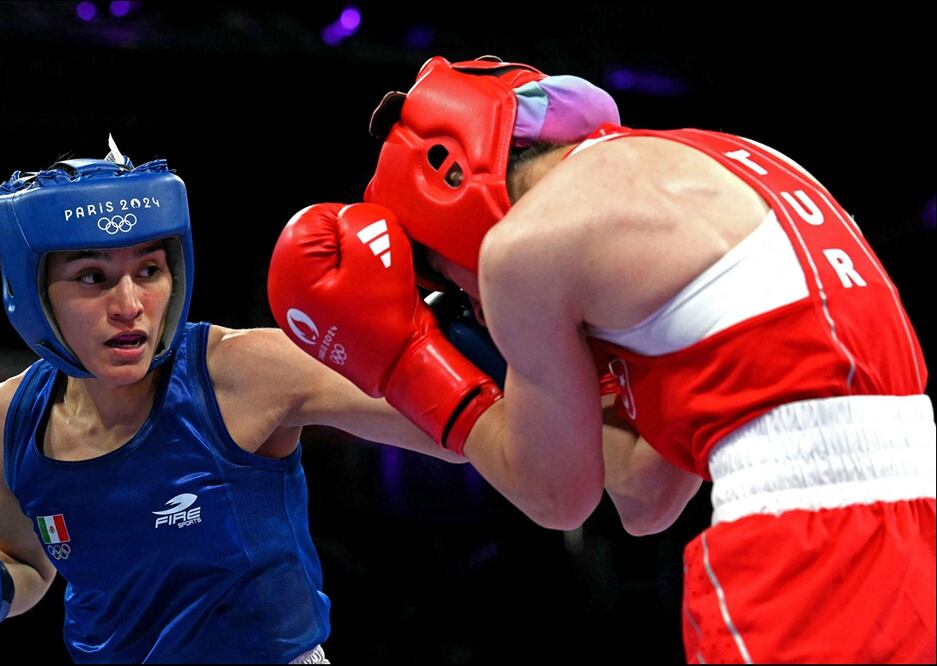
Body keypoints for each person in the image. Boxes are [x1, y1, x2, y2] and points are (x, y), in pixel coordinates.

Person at [266, 57, 936, 663]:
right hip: (911, 517)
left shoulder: (526, 247)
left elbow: (557, 495)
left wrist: (407, 359)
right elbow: (645, 494)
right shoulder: (722, 156)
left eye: (444, 282)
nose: (468, 305)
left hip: (804, 546)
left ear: (447, 185)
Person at [0, 137, 463, 664]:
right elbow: (27, 563)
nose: (129, 303)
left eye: (149, 270)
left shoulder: (240, 371)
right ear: (33, 295)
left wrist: (459, 315)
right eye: (91, 277)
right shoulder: (9, 418)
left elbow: (454, 430)